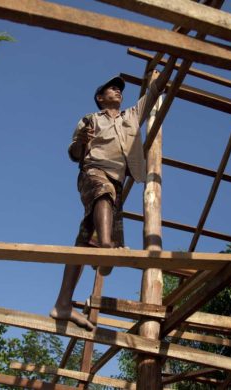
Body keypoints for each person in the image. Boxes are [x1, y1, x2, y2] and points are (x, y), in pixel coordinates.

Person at [50, 70, 168, 330]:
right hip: (93, 173)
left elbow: (154, 91)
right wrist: (81, 142)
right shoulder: (90, 119)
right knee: (102, 194)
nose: (118, 91)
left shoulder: (131, 116)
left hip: (115, 182)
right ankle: (106, 246)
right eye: (112, 89)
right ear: (100, 98)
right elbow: (76, 154)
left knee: (83, 242)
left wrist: (171, 64)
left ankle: (63, 303)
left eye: (119, 89)